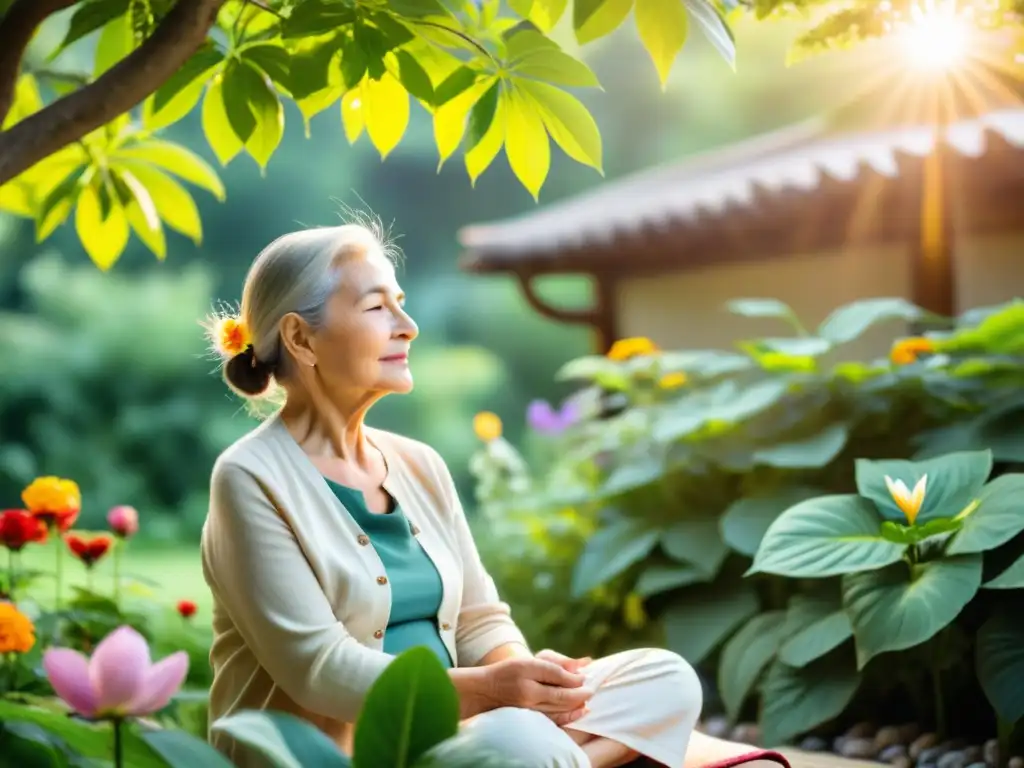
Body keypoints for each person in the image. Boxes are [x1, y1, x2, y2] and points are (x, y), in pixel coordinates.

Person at [200, 222, 791, 768]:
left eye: (401, 304)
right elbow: (319, 671)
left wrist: (528, 682)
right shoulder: (249, 477)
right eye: (378, 307)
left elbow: (482, 619)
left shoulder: (418, 465)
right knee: (522, 743)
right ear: (301, 338)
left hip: (460, 738)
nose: (407, 327)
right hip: (349, 756)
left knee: (665, 679)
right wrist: (491, 695)